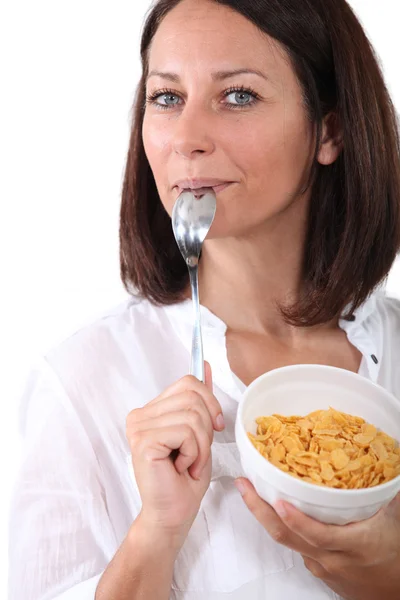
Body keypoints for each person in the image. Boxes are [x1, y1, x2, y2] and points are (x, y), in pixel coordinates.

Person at [8, 0, 400, 598]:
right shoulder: (79, 383)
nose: (185, 139)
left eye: (237, 95)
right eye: (166, 98)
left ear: (331, 130)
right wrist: (155, 535)